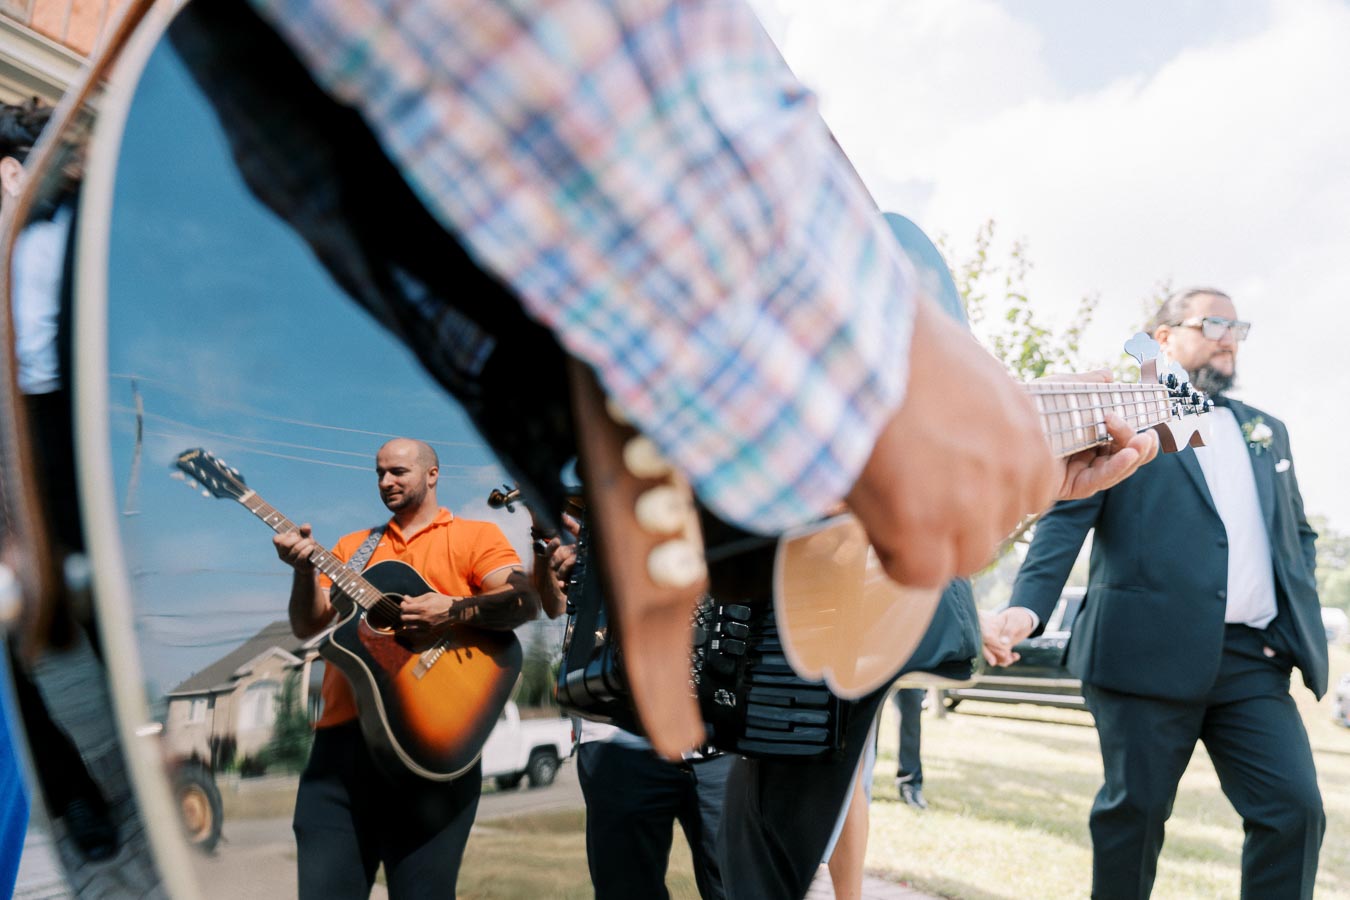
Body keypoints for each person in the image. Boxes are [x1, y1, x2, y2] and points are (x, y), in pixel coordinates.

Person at [986, 288, 1328, 899]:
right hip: (1142, 654)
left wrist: (1288, 627)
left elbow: (1295, 532)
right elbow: (1065, 520)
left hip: (1253, 663)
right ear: (1164, 337)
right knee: (1134, 818)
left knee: (1295, 810)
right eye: (1214, 322)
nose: (1228, 336)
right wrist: (1026, 609)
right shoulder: (1117, 413)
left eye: (1236, 326)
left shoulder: (1265, 431)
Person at [273, 437, 539, 900]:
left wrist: (454, 610)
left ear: (432, 474)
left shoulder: (475, 537)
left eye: (398, 471)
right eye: (379, 473)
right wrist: (301, 570)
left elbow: (522, 602)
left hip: (433, 753)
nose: (386, 481)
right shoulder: (352, 549)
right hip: (341, 754)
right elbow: (306, 625)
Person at [1, 97, 119, 863]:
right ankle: (72, 791)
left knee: (99, 599)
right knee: (16, 644)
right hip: (14, 444)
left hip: (63, 434)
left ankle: (130, 765)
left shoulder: (76, 233)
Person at [534, 512, 732, 900]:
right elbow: (554, 604)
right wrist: (559, 553)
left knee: (738, 886)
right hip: (618, 734)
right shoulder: (596, 490)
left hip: (721, 735)